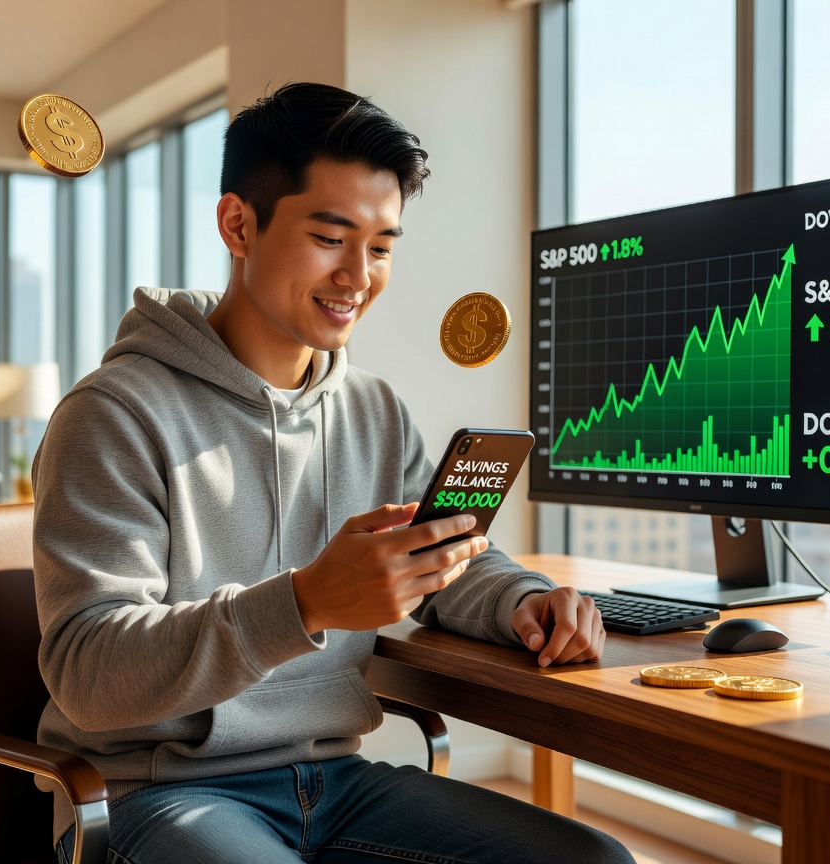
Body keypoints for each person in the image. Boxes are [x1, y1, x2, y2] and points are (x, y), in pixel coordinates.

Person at [33, 81, 634, 864]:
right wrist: (306, 601)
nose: (359, 275)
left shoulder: (373, 410)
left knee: (594, 861)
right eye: (329, 237)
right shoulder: (114, 414)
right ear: (238, 224)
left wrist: (524, 600)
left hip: (336, 780)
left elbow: (445, 555)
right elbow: (88, 672)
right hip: (155, 794)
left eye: (381, 247)